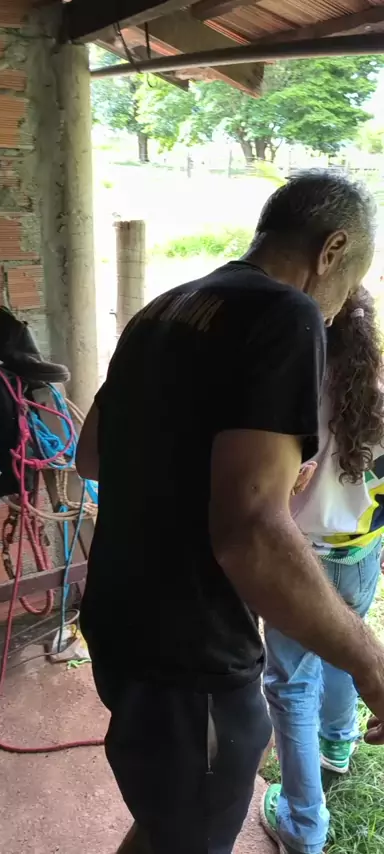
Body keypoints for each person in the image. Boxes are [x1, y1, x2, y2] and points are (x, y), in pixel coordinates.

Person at [76, 169, 384, 854]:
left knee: (168, 824)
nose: (336, 311)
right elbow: (251, 534)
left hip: (120, 624)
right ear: (331, 250)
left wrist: (235, 470)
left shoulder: (163, 308)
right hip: (194, 654)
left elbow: (91, 455)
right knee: (189, 835)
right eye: (347, 285)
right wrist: (372, 665)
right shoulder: (288, 313)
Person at [262, 286, 384, 854]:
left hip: (299, 562)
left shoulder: (285, 396)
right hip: (362, 555)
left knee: (290, 685)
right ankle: (338, 742)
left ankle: (303, 826)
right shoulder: (376, 395)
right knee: (344, 648)